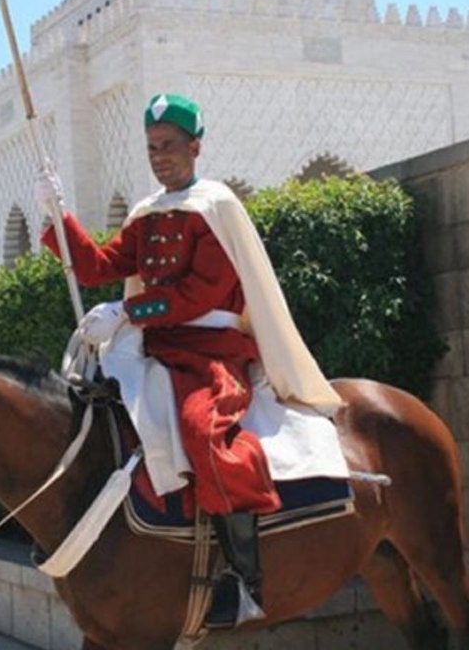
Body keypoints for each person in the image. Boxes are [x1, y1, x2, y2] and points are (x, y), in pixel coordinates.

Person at [35, 93, 343, 629]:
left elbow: (201, 293)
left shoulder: (215, 206)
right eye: (152, 148)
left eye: (169, 145)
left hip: (211, 354)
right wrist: (57, 217)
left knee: (204, 433)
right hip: (154, 348)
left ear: (195, 146)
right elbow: (98, 266)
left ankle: (243, 580)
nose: (160, 157)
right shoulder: (147, 213)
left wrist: (126, 311)